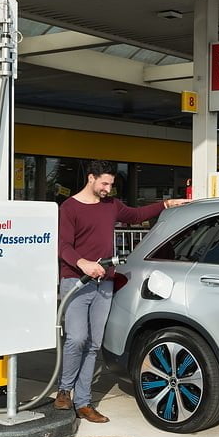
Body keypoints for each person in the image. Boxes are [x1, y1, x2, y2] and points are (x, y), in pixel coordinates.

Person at [54, 160, 188, 422]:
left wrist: (165, 205)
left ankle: (83, 402)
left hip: (104, 282)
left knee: (93, 345)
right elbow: (63, 246)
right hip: (75, 281)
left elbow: (135, 215)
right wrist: (83, 263)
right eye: (104, 183)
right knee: (77, 339)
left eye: (111, 184)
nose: (108, 188)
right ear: (91, 178)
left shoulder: (111, 205)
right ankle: (64, 390)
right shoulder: (69, 207)